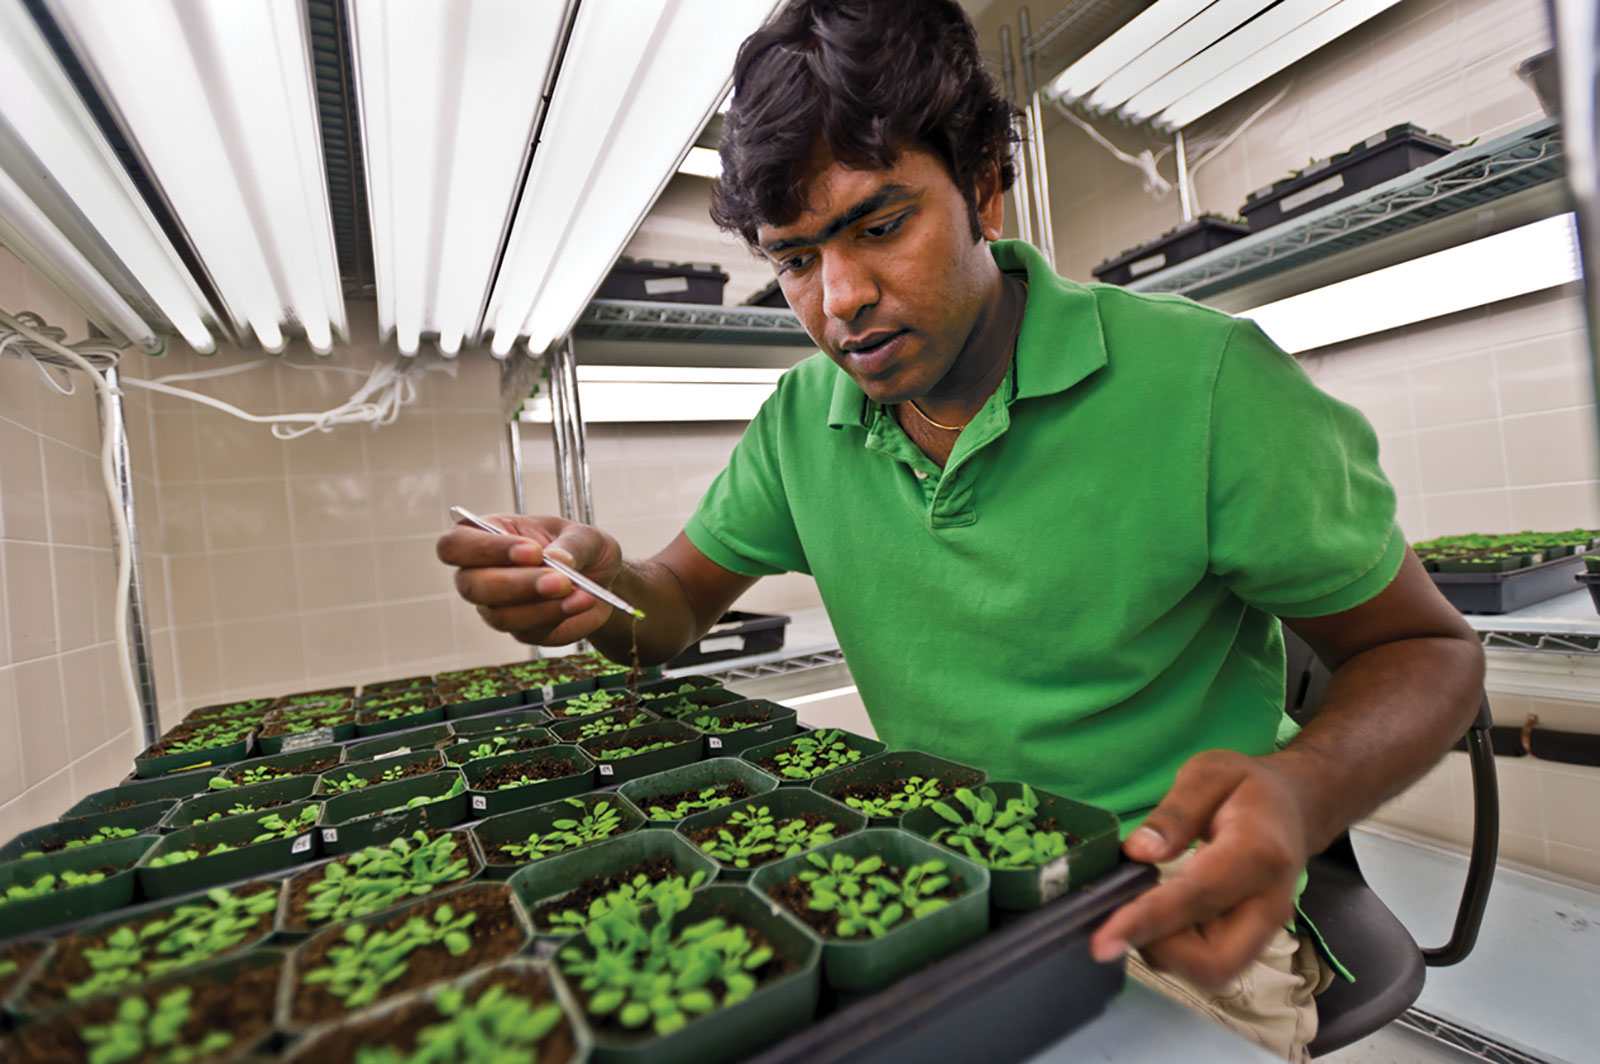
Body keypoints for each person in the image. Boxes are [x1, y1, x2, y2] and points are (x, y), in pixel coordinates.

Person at [437, 2, 1484, 1059]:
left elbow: (1427, 649)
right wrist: (598, 585)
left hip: (1163, 897)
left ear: (983, 181)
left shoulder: (1208, 385)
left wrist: (1297, 793)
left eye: (880, 225)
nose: (839, 298)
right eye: (794, 259)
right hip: (933, 888)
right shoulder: (804, 422)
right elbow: (666, 610)